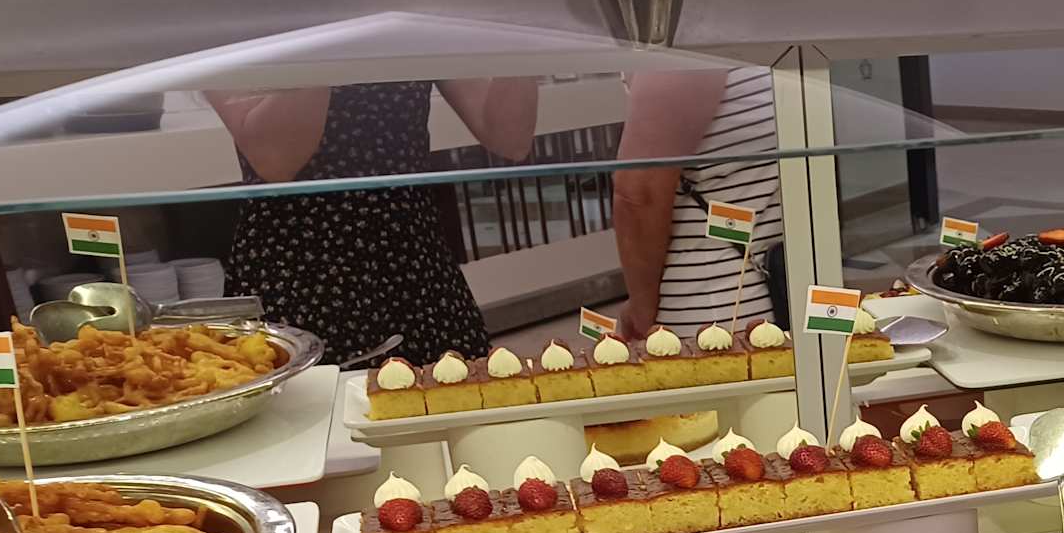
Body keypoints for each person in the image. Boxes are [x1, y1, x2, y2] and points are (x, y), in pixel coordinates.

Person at [211, 78, 536, 366]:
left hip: (414, 261)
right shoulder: (229, 27)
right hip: (301, 269)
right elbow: (277, 159)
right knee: (311, 409)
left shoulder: (410, 28)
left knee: (452, 398)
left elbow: (509, 137)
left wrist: (526, 39)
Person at [610, 67, 785, 340]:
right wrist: (642, 306)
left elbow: (639, 192)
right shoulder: (692, 52)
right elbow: (639, 192)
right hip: (730, 303)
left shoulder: (686, 50)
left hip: (743, 297)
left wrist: (640, 305)